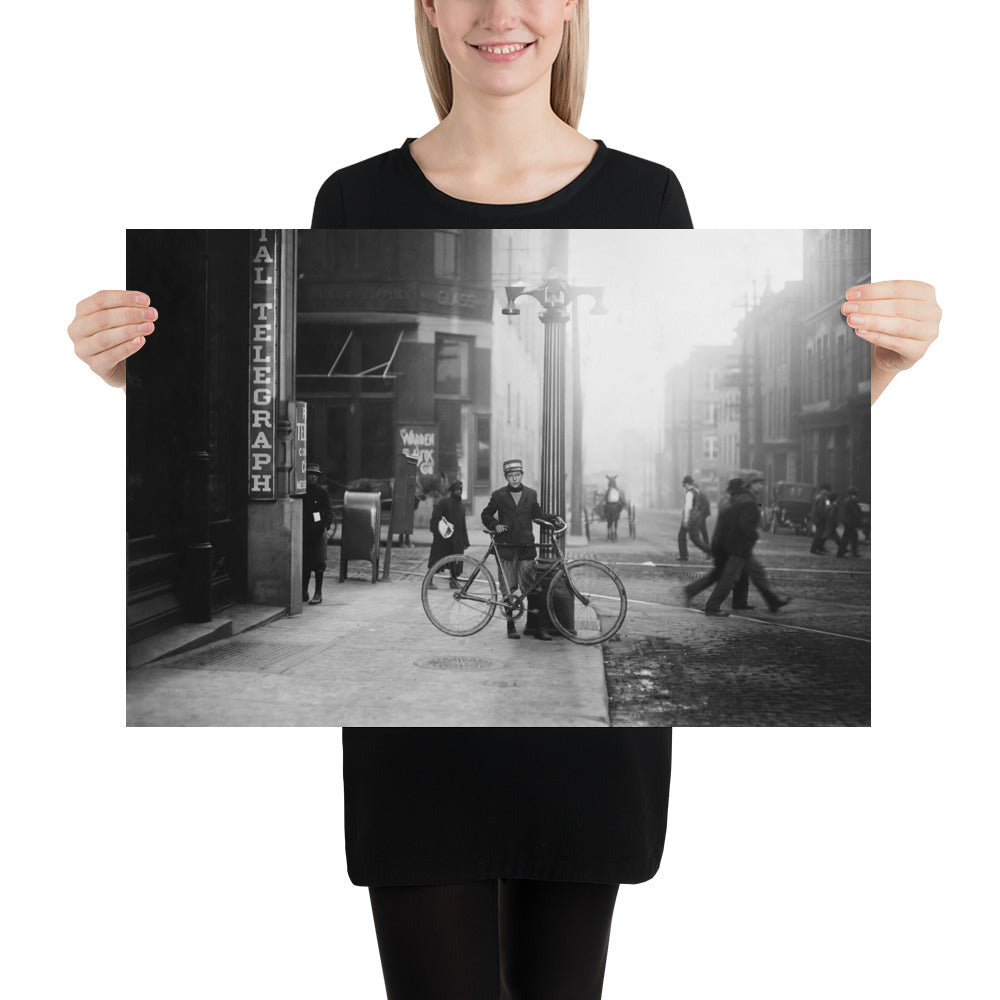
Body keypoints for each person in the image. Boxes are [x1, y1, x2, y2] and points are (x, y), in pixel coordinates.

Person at [65, 2, 941, 997]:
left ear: (572, 5)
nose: (500, 11)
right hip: (417, 761)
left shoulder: (649, 195)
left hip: (586, 766)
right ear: (428, 11)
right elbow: (283, 401)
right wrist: (125, 386)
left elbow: (749, 440)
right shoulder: (351, 197)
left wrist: (891, 372)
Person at [481, 458, 564, 640]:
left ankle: (535, 627)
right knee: (508, 589)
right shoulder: (498, 495)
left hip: (526, 547)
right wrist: (495, 525)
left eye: (517, 475)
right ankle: (510, 626)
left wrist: (553, 518)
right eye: (511, 476)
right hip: (506, 548)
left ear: (522, 475)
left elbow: (537, 515)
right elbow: (486, 514)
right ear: (506, 477)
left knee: (532, 588)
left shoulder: (531, 494)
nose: (514, 479)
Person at [703, 476, 789, 617]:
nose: (761, 486)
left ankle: (773, 601)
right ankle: (712, 606)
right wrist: (753, 535)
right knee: (729, 578)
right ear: (751, 485)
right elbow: (744, 525)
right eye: (759, 483)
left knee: (757, 573)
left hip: (742, 546)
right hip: (739, 547)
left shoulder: (744, 498)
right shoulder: (746, 500)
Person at [427, 479, 470, 587]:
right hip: (443, 538)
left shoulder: (461, 506)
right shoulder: (444, 502)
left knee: (455, 560)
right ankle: (429, 581)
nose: (458, 492)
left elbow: (462, 525)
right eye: (456, 490)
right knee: (437, 559)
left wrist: (465, 541)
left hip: (456, 539)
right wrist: (437, 531)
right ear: (452, 491)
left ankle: (453, 581)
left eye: (460, 489)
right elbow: (436, 517)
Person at [302, 462, 333, 606]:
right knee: (305, 563)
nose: (312, 477)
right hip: (303, 533)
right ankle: (303, 591)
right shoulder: (300, 491)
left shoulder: (322, 492)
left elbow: (328, 511)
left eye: (315, 475)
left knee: (319, 563)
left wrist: (325, 526)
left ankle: (318, 593)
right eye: (310, 474)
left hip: (318, 533)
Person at [677, 474, 710, 561]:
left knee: (681, 536)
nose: (684, 486)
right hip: (696, 517)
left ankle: (684, 556)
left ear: (687, 483)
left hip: (690, 518)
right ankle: (710, 551)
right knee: (695, 538)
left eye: (684, 484)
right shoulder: (696, 491)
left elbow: (688, 507)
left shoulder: (689, 493)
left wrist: (686, 520)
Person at [836, 486, 864, 558]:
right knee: (848, 537)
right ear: (855, 493)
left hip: (847, 521)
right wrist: (861, 517)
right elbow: (855, 512)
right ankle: (843, 553)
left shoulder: (847, 499)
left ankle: (847, 553)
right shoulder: (852, 500)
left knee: (851, 536)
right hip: (850, 522)